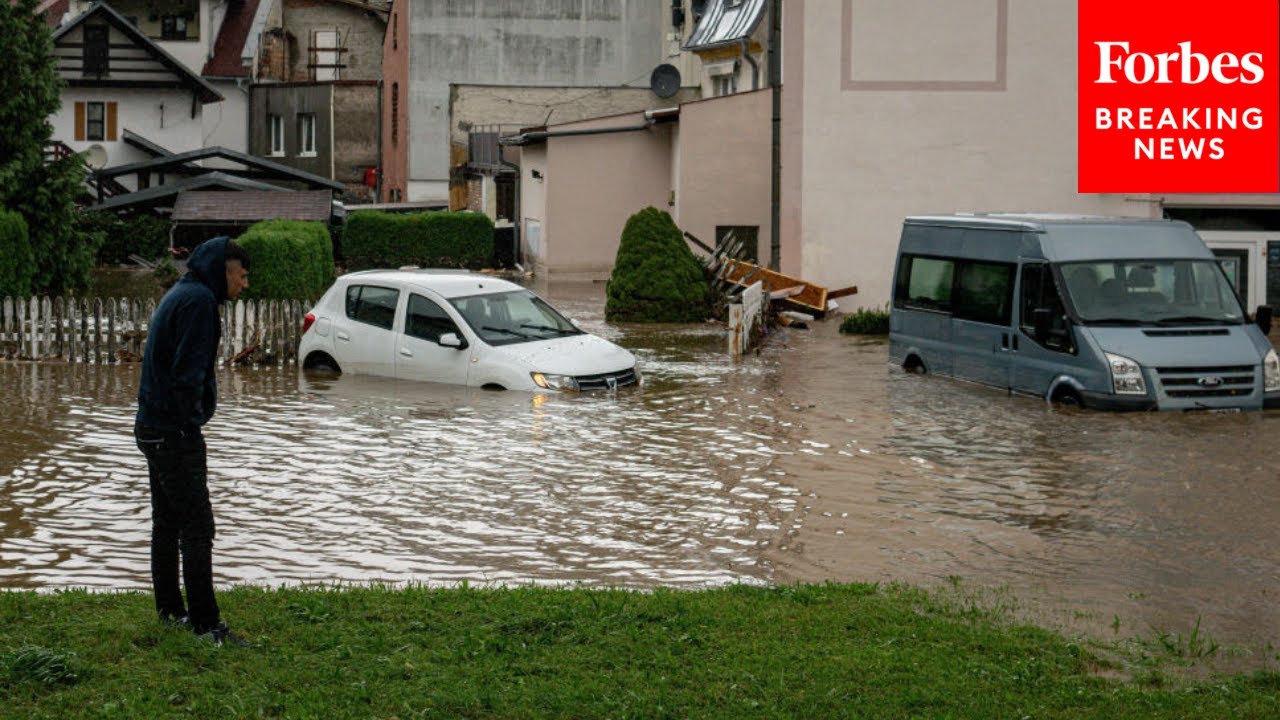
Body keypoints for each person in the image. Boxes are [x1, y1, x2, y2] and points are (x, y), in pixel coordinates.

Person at [134, 236, 251, 647]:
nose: (245, 283)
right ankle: (206, 625)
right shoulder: (200, 303)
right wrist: (192, 421)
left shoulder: (183, 293)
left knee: (167, 523)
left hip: (151, 425)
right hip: (173, 431)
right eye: (241, 274)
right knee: (198, 527)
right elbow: (187, 374)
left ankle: (170, 611)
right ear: (223, 270)